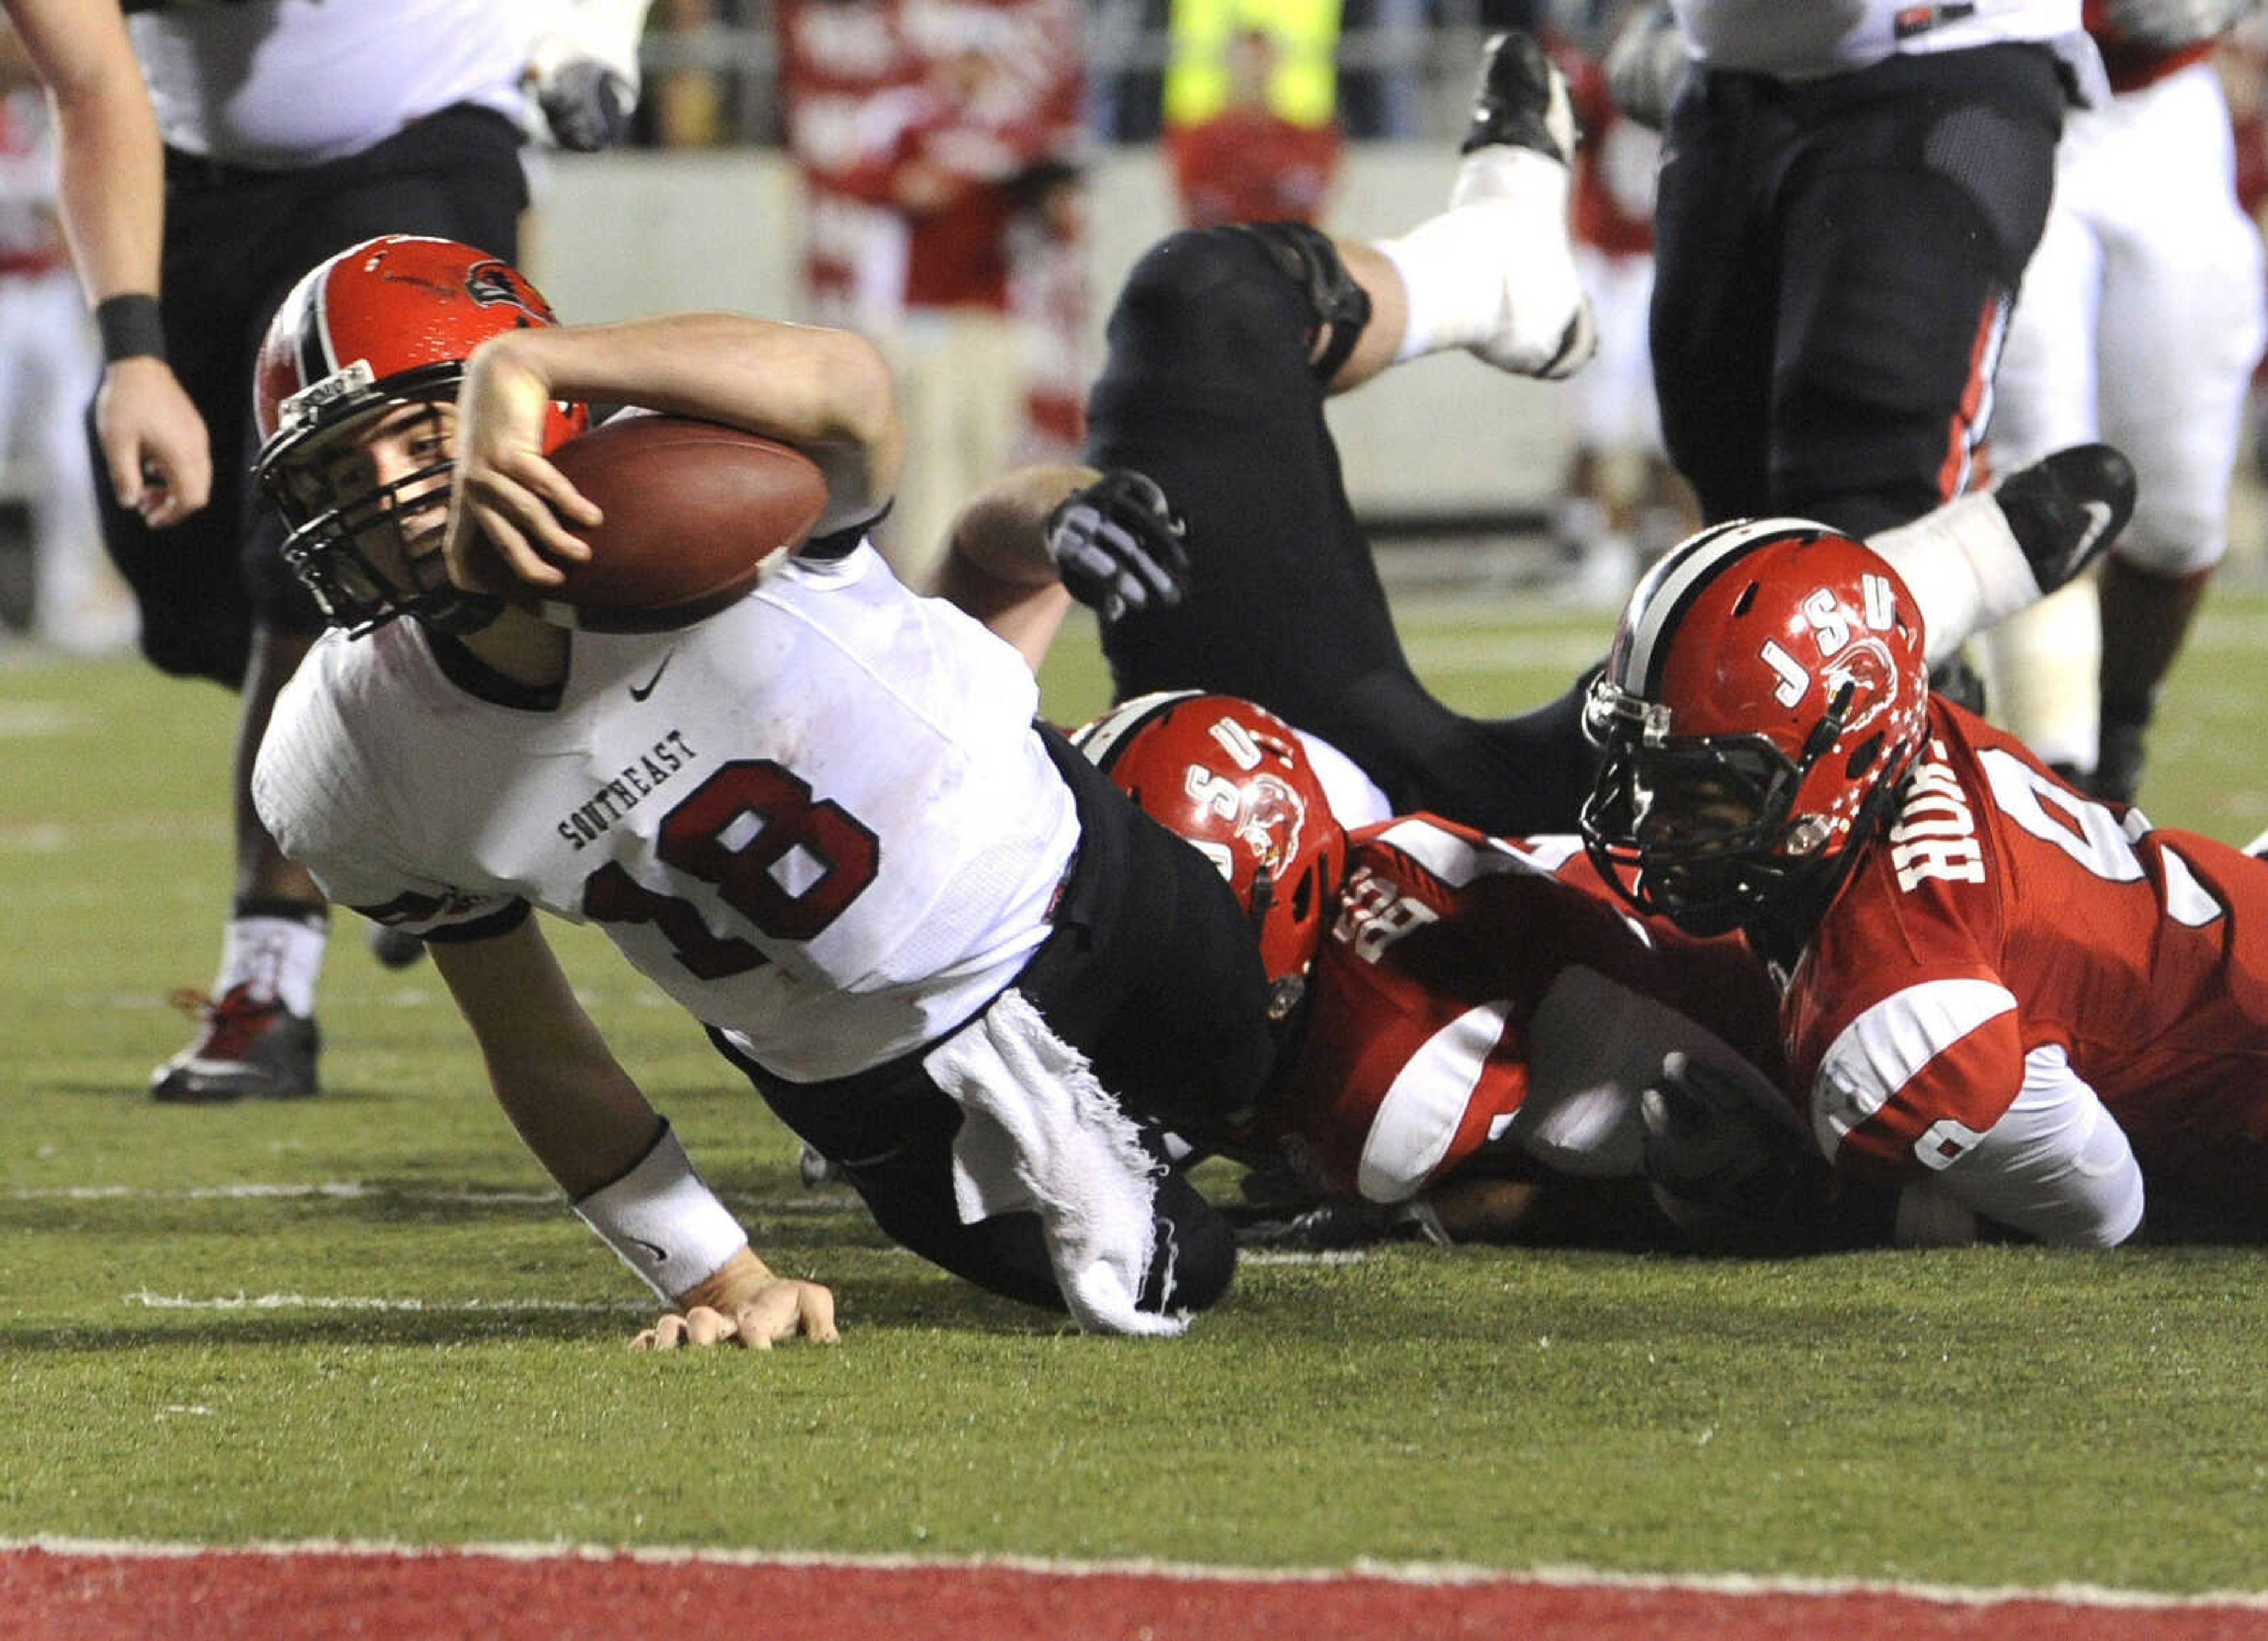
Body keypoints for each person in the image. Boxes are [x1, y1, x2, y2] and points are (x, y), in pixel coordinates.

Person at [246, 233, 1283, 1342]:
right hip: (873, 1087)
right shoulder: (351, 745)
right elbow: (537, 1042)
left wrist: (527, 366)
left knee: (1308, 1089)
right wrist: (714, 1275)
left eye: (420, 433)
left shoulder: (701, 490)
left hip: (1094, 893)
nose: (390, 493)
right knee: (1183, 1279)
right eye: (339, 473)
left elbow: (850, 388)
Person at [1029, 28, 2132, 841]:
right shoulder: (1507, 1036)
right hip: (1590, 838)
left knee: (1198, 294)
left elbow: (942, 629)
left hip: (1305, 770)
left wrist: (1043, 523)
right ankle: (1925, 596)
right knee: (1804, 561)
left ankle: (1488, 269)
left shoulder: (1125, 925)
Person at [110, 0, 645, 1105]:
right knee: (182, 586)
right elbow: (77, 75)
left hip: (413, 143)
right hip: (186, 172)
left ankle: (267, 987)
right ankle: (422, 775)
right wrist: (130, 355)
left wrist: (592, 36)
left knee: (318, 550)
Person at [1578, 521, 2268, 1247]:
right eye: (1647, 775)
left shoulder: (1900, 1022)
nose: (1653, 825)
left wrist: (1805, 1200)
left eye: (1702, 786)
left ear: (1847, 754)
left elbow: (2107, 1209)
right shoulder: (1904, 728)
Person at [1606, 1, 2096, 544]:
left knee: (1867, 460)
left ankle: (1910, 608)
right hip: (1727, 83)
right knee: (1728, 470)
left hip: (1939, 58)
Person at [1976, 0, 2267, 804]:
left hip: (2162, 113)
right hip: (1998, 95)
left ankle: (2118, 733)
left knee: (2177, 516)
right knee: (2041, 471)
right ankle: (2055, 780)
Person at [0, 0, 207, 562]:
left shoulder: (52, 108)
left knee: (70, 451)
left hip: (54, 294)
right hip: (8, 296)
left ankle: (73, 602)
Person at [1165, 26, 1342, 230]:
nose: (1255, 73)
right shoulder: (1196, 137)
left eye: (1262, 61)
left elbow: (1309, 202)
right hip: (1223, 251)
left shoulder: (1309, 138)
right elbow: (1201, 204)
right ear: (1228, 65)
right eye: (1248, 62)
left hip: (1286, 251)